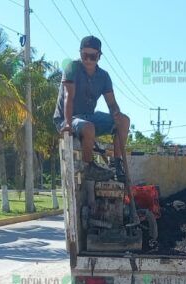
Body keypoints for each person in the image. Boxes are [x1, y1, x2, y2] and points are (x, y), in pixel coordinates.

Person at [54, 35, 131, 182]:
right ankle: (89, 166)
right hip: (67, 118)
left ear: (99, 56)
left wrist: (116, 113)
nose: (88, 60)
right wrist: (68, 124)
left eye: (92, 56)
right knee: (89, 128)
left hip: (88, 116)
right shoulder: (72, 68)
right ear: (80, 53)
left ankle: (116, 164)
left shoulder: (104, 76)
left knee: (124, 121)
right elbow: (68, 97)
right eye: (85, 55)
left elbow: (112, 104)